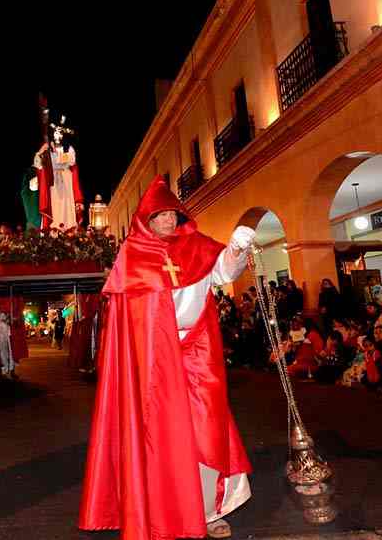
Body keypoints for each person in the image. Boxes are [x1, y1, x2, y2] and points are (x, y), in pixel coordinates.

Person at [80, 176, 254, 540]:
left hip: (199, 353)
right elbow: (126, 318)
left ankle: (207, 512)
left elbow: (225, 269)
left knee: (207, 428)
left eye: (172, 214)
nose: (168, 221)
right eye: (159, 215)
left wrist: (238, 248)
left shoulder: (198, 246)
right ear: (146, 219)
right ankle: (159, 509)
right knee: (160, 434)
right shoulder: (132, 256)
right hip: (153, 360)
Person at [35, 125, 83, 231]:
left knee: (66, 207)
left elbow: (71, 161)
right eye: (55, 133)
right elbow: (37, 164)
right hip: (53, 182)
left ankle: (68, 230)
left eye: (60, 133)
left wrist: (56, 152)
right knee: (55, 207)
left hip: (66, 180)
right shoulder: (47, 151)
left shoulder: (69, 149)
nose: (58, 135)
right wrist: (40, 152)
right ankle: (55, 230)